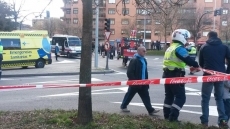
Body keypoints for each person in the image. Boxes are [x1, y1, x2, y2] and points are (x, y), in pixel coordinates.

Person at [162, 29, 200, 122]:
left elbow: (177, 60)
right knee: (180, 97)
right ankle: (173, 118)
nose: (187, 40)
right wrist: (196, 65)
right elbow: (187, 59)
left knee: (169, 96)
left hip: (167, 75)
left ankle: (167, 116)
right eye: (186, 38)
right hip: (176, 75)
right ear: (182, 37)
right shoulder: (179, 48)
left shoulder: (170, 47)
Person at [199, 31, 230, 128]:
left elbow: (201, 62)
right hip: (220, 76)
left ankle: (204, 122)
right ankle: (223, 119)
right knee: (219, 98)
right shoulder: (224, 47)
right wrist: (227, 73)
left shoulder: (204, 47)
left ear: (208, 36)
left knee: (205, 99)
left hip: (208, 75)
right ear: (217, 36)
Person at [120, 46, 160, 115]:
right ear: (139, 51)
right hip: (135, 83)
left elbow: (145, 72)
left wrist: (146, 82)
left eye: (145, 51)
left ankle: (150, 110)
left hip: (143, 83)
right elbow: (129, 72)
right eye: (144, 51)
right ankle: (123, 106)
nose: (145, 52)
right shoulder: (134, 60)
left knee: (146, 96)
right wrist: (134, 81)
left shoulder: (143, 60)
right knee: (129, 94)